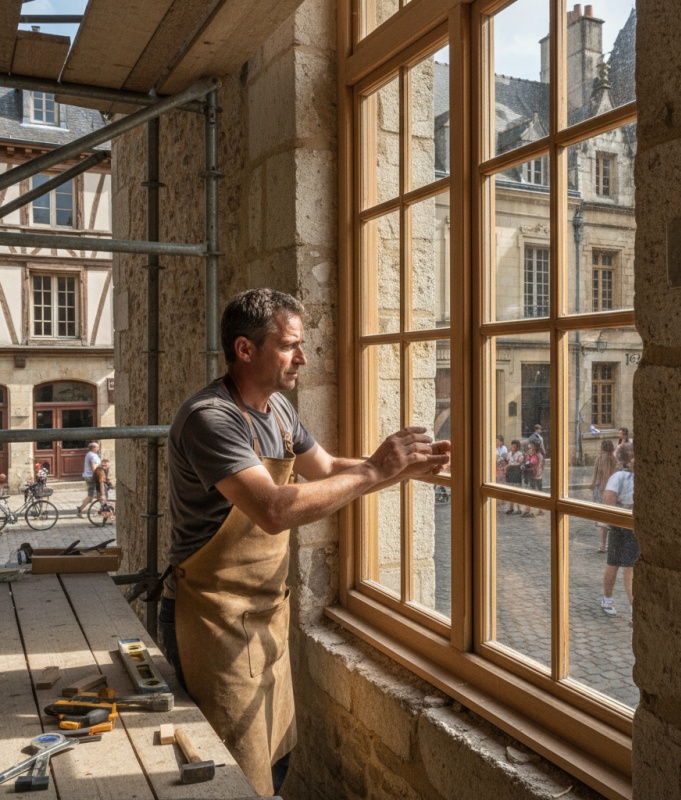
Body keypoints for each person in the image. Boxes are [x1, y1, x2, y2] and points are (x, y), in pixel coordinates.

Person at [158, 288, 450, 796]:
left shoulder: (279, 413)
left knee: (272, 758)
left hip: (263, 615)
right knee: (227, 775)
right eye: (290, 344)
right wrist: (378, 468)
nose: (304, 356)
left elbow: (331, 469)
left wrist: (400, 472)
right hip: (210, 618)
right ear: (246, 350)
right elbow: (273, 510)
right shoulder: (212, 418)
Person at [600, 443, 637, 621]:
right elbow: (609, 501)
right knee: (618, 564)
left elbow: (609, 501)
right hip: (622, 525)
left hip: (630, 526)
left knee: (627, 566)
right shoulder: (619, 477)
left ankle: (626, 604)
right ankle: (613, 601)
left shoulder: (624, 477)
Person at [591, 440, 618, 552]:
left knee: (602, 519)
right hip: (612, 490)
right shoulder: (614, 459)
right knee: (613, 517)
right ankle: (614, 545)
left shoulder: (599, 458)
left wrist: (593, 485)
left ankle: (602, 545)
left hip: (602, 489)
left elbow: (596, 474)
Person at [77, 442, 101, 516]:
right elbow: (93, 467)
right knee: (91, 495)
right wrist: (98, 476)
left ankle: (82, 507)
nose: (98, 448)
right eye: (97, 447)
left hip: (91, 476)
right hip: (91, 477)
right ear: (93, 448)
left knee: (94, 495)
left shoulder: (93, 454)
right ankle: (80, 509)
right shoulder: (91, 455)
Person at [503, 438, 525, 514]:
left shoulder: (520, 454)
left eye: (515, 446)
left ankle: (519, 508)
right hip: (509, 473)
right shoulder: (509, 453)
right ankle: (511, 508)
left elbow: (519, 463)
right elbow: (506, 460)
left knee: (517, 490)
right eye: (512, 446)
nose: (513, 448)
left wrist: (509, 465)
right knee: (510, 490)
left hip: (516, 472)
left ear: (518, 447)